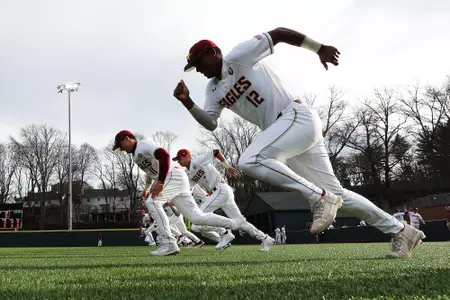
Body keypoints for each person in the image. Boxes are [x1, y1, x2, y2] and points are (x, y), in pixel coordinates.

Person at [173, 27, 425, 258]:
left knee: (250, 160)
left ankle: (318, 198)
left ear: (214, 52)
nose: (198, 69)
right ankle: (401, 231)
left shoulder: (239, 55)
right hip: (284, 134)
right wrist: (187, 101)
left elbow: (279, 34)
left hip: (295, 116)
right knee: (338, 195)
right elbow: (211, 122)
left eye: (199, 62)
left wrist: (319, 48)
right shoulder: (212, 90)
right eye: (194, 66)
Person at [112, 130, 253, 256]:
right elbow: (151, 173)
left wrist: (160, 182)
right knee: (196, 217)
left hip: (172, 175)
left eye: (121, 145)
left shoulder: (143, 145)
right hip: (176, 179)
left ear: (127, 139)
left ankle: (169, 244)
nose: (121, 149)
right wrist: (147, 188)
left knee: (152, 202)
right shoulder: (136, 155)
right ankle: (234, 224)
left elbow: (164, 155)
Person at [173, 148, 274, 251]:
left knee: (200, 215)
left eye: (180, 158)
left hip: (221, 189)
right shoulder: (187, 173)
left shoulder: (197, 160)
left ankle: (225, 233)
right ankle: (265, 238)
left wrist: (227, 167)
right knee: (241, 223)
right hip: (221, 193)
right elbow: (186, 188)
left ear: (188, 156)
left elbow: (216, 152)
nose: (179, 161)